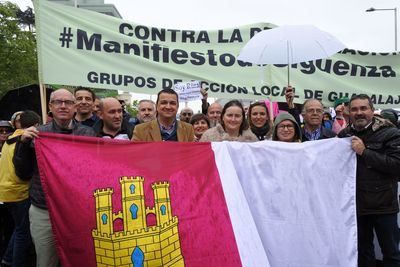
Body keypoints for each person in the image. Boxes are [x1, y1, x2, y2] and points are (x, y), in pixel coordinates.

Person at [13, 89, 95, 267]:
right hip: (44, 210)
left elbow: (92, 172)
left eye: (68, 102)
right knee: (46, 261)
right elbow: (22, 172)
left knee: (79, 259)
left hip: (77, 210)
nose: (63, 106)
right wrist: (23, 144)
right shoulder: (37, 134)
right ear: (50, 106)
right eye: (58, 102)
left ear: (74, 107)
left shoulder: (87, 134)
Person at [338, 94, 400, 267]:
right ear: (349, 112)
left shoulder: (390, 133)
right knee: (363, 254)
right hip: (355, 207)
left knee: (391, 254)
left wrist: (365, 152)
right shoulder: (343, 135)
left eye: (363, 108)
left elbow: (397, 166)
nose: (359, 113)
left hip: (384, 207)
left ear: (372, 111)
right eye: (355, 109)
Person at [0, 110, 41, 267]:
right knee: (23, 233)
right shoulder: (24, 140)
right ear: (36, 125)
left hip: (6, 192)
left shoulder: (11, 137)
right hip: (19, 193)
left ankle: (7, 259)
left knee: (18, 230)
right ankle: (16, 263)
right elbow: (23, 171)